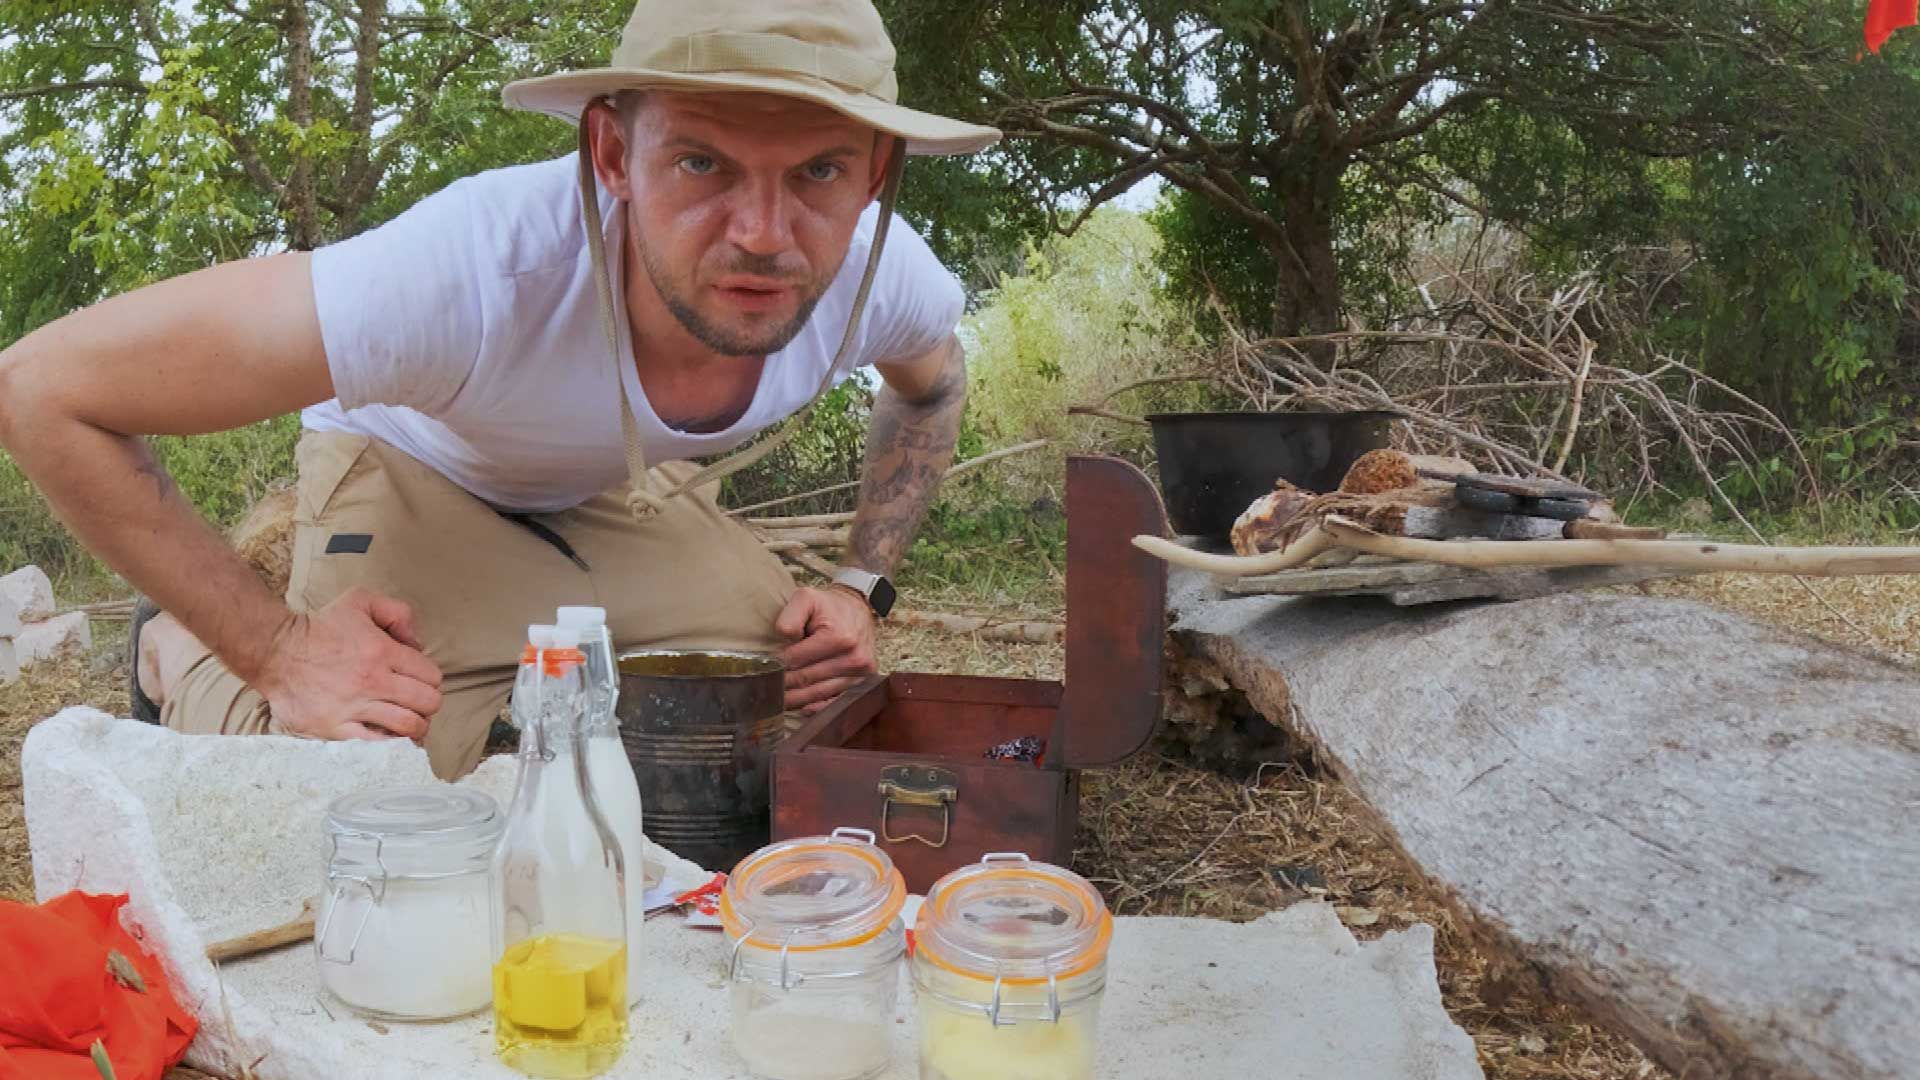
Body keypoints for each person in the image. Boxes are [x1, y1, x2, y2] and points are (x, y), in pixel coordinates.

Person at [0, 0, 1000, 779]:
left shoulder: (885, 274)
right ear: (612, 152)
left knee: (778, 700)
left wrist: (863, 583)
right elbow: (43, 389)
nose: (763, 236)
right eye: (702, 162)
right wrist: (275, 651)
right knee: (376, 767)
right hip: (413, 459)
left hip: (600, 486)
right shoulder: (469, 275)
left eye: (820, 170)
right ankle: (180, 653)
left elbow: (929, 389)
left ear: (877, 171)